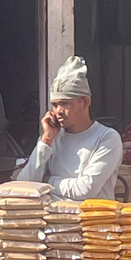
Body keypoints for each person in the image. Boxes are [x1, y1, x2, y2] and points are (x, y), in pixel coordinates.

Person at [16, 56, 123, 200]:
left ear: (85, 103)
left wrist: (46, 180)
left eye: (65, 103)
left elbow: (84, 190)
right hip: (50, 219)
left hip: (89, 220)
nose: (58, 110)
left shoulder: (106, 138)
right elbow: (24, 185)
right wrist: (46, 140)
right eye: (55, 105)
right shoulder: (53, 138)